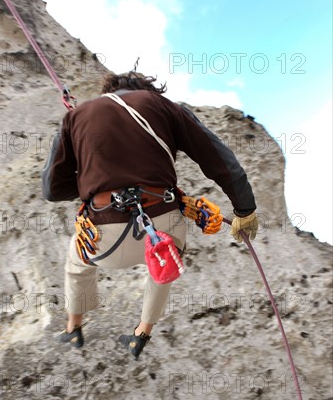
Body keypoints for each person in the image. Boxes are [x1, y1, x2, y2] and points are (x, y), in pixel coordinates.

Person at [42, 71, 258, 359]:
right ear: (147, 90)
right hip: (163, 222)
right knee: (165, 263)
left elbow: (52, 189)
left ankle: (74, 328)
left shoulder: (76, 115)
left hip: (104, 237)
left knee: (77, 263)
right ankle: (141, 333)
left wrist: (92, 183)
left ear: (110, 89)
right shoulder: (165, 107)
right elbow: (216, 156)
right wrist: (245, 209)